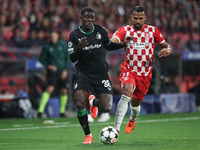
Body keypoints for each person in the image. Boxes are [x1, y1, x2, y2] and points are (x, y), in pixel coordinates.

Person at [68, 7, 131, 144]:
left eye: (92, 18)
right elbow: (72, 58)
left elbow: (108, 45)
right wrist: (78, 48)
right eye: (86, 17)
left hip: (101, 73)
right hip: (83, 72)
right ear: (81, 18)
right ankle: (88, 135)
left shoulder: (100, 31)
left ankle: (93, 102)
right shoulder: (74, 35)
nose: (89, 20)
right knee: (79, 102)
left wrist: (122, 44)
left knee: (106, 107)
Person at [110, 6, 172, 134]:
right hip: (129, 70)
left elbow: (166, 46)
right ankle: (116, 130)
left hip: (145, 74)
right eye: (135, 18)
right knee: (126, 92)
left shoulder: (152, 31)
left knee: (135, 104)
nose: (138, 21)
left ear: (144, 18)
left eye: (140, 18)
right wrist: (121, 43)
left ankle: (133, 118)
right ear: (131, 18)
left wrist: (168, 50)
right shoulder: (125, 30)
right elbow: (112, 42)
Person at [37, 30, 70, 118]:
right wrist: (49, 66)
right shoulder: (47, 47)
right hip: (52, 72)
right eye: (51, 36)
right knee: (50, 89)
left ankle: (62, 112)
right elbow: (41, 59)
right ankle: (40, 111)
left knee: (64, 91)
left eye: (54, 36)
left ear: (57, 36)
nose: (53, 38)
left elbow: (67, 58)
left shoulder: (62, 45)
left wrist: (65, 70)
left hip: (62, 71)